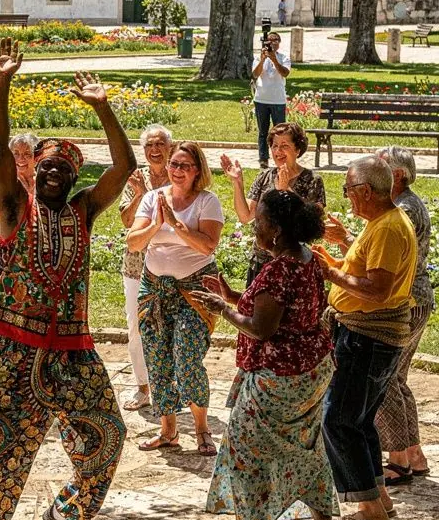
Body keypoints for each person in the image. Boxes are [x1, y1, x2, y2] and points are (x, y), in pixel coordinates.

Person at [0, 43, 135, 520]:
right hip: (14, 348)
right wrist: (2, 83)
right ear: (34, 175)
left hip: (71, 352)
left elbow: (122, 166)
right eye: (46, 166)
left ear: (74, 179)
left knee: (107, 434)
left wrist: (102, 107)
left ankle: (67, 512)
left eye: (62, 169)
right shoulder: (15, 208)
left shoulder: (84, 211)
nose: (52, 173)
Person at [201, 191, 340, 520]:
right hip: (313, 369)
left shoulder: (279, 270)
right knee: (306, 447)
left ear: (276, 230)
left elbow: (262, 328)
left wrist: (223, 309)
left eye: (259, 220)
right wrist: (233, 294)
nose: (254, 225)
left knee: (247, 452)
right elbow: (283, 308)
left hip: (280, 378)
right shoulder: (306, 258)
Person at [315, 156, 417, 520]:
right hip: (365, 335)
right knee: (359, 419)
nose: (348, 199)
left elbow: (378, 289)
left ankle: (370, 510)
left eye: (348, 191)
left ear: (365, 192)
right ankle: (379, 497)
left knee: (338, 420)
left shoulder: (389, 228)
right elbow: (362, 271)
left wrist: (330, 274)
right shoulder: (379, 225)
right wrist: (334, 261)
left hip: (368, 337)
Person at [127, 141, 224, 455]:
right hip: (154, 289)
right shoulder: (153, 199)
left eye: (185, 166)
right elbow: (133, 242)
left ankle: (202, 429)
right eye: (174, 165)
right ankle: (168, 431)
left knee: (187, 358)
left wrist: (176, 225)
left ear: (198, 171)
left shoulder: (207, 202)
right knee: (157, 358)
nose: (178, 171)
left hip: (193, 292)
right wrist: (156, 223)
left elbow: (207, 246)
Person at [374, 145, 435, 484]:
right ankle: (414, 453)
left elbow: (388, 256)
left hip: (406, 300)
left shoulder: (404, 208)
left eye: (379, 165)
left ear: (397, 174)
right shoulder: (405, 203)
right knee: (397, 378)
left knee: (386, 380)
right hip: (415, 298)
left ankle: (398, 461)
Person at [221, 123, 325, 284]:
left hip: (293, 263)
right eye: (274, 146)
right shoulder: (264, 177)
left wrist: (287, 190)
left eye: (284, 146)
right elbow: (245, 216)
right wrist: (237, 182)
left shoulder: (312, 180)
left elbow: (312, 223)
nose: (278, 151)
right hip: (261, 260)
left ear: (298, 149)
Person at [118, 125, 173, 411]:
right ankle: (142, 386)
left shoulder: (179, 175)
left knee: (170, 326)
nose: (155, 150)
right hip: (137, 267)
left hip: (172, 266)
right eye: (150, 145)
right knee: (136, 326)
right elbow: (127, 221)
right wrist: (140, 194)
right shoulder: (136, 178)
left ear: (170, 148)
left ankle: (170, 385)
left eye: (161, 144)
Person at [0, 131, 37, 282]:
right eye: (16, 153)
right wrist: (9, 199)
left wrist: (30, 197)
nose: (21, 159)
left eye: (27, 153)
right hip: (4, 255)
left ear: (37, 157)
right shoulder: (1, 186)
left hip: (37, 255)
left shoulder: (45, 184)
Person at [252, 31, 290, 169]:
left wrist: (274, 59)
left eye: (276, 40)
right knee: (263, 132)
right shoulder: (258, 57)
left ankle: (281, 157)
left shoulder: (284, 57)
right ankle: (263, 159)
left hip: (278, 100)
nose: (273, 43)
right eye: (270, 40)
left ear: (279, 43)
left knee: (280, 132)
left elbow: (285, 73)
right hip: (261, 98)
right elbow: (255, 74)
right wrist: (263, 59)